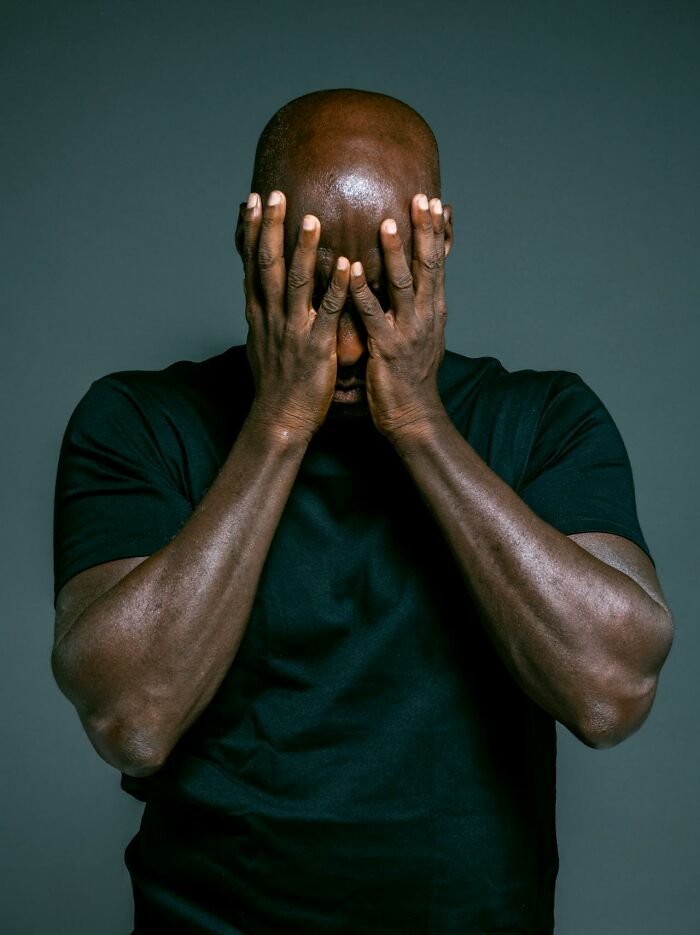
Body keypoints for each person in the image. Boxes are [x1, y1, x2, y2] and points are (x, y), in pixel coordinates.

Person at [51, 88, 674, 935]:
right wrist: (279, 422)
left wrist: (419, 422)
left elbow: (612, 693)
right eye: (314, 294)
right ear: (252, 246)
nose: (346, 345)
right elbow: (132, 718)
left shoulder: (544, 422)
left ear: (437, 249)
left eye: (382, 293)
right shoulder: (140, 423)